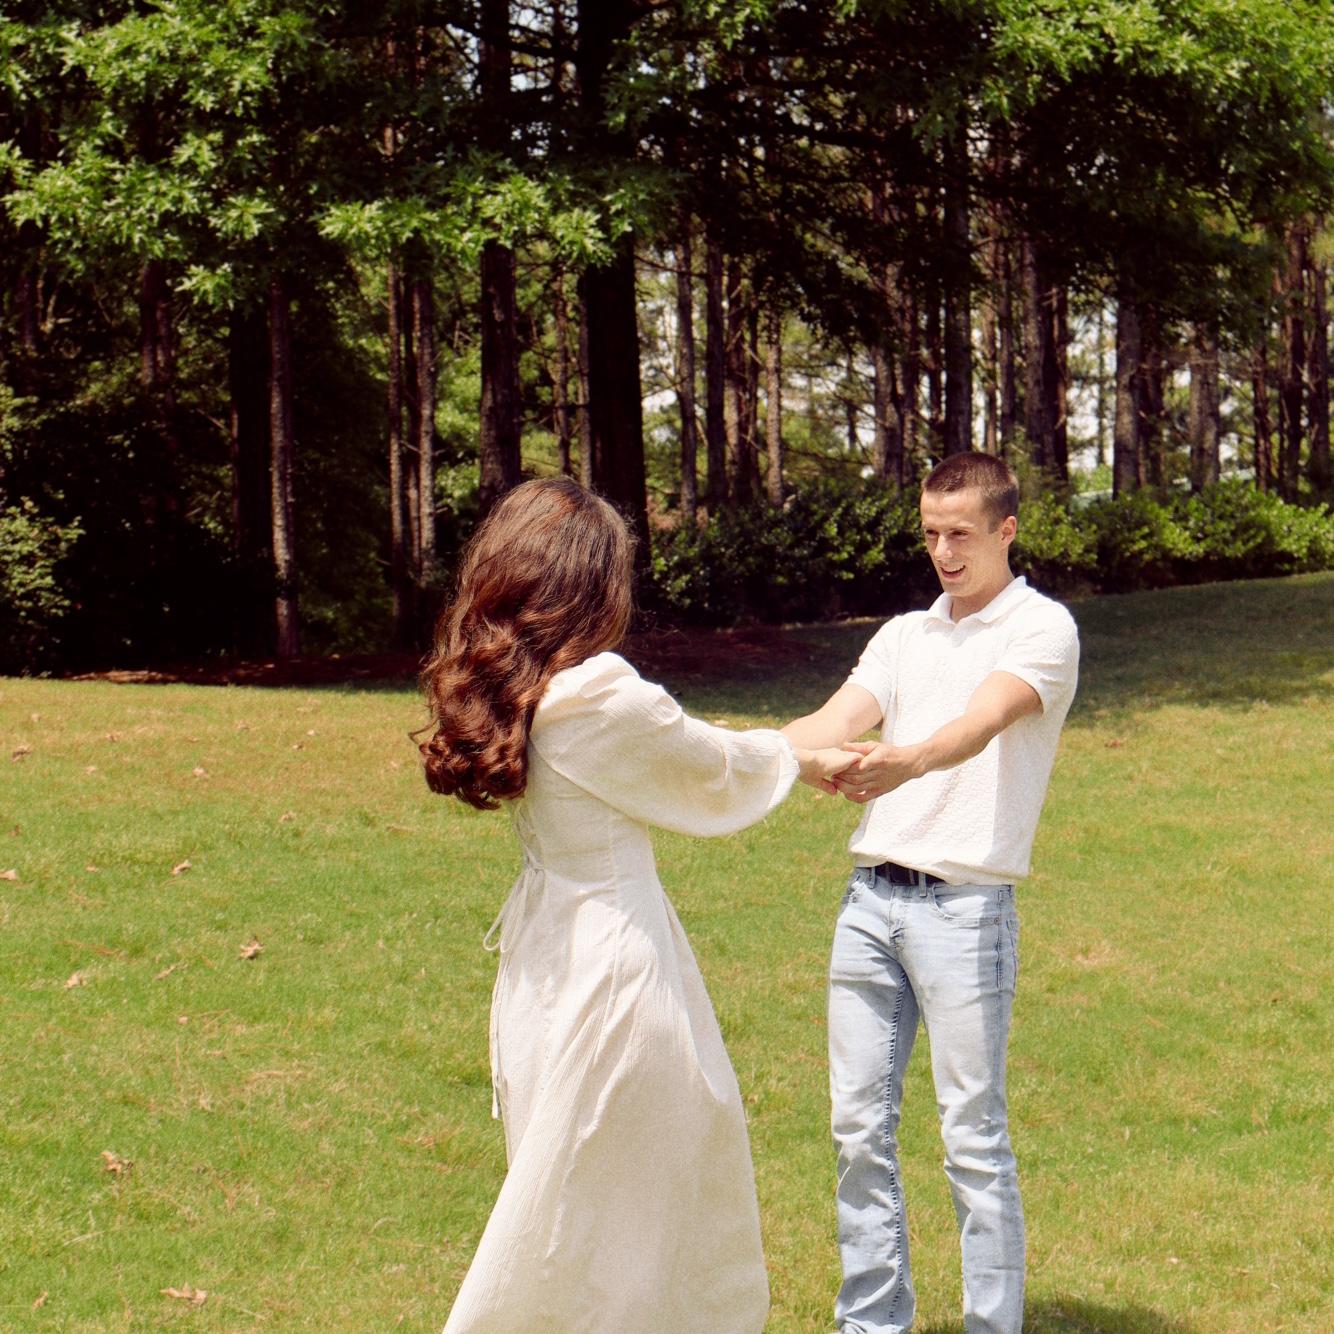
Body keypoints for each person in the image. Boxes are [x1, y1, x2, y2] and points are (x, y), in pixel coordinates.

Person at [419, 477, 854, 1333]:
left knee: (573, 1204)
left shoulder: (512, 689)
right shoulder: (599, 693)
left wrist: (795, 754)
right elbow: (706, 766)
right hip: (614, 972)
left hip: (544, 971)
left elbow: (702, 751)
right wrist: (803, 761)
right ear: (590, 585)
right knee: (647, 1207)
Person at [782, 453, 1080, 1334]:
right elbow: (832, 721)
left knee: (971, 1139)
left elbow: (980, 723)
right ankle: (873, 1324)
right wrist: (739, 752)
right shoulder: (904, 635)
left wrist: (905, 760)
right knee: (855, 1129)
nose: (943, 552)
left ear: (1005, 530)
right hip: (868, 904)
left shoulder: (1041, 628)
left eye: (960, 534)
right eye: (930, 534)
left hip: (965, 911)